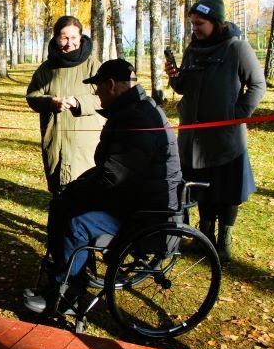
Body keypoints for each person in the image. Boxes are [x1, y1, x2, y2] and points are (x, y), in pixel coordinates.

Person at [24, 59, 182, 313]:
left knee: (77, 221)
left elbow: (113, 175)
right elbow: (112, 170)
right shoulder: (131, 111)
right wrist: (76, 188)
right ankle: (60, 277)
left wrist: (78, 189)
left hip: (148, 214)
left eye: (97, 87)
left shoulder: (138, 118)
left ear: (111, 85)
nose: (96, 93)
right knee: (61, 204)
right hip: (133, 199)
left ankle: (68, 296)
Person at [165, 0, 266, 261]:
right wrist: (175, 77)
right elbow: (184, 88)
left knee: (228, 190)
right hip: (193, 136)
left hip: (225, 137)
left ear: (216, 22)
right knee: (203, 187)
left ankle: (224, 242)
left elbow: (258, 84)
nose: (195, 28)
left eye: (200, 23)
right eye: (192, 23)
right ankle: (205, 238)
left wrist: (238, 114)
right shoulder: (192, 50)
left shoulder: (236, 48)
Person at [26, 16, 105, 195]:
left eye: (74, 37)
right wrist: (50, 102)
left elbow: (105, 98)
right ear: (56, 38)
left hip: (87, 145)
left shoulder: (94, 67)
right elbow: (32, 96)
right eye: (64, 38)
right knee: (59, 193)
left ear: (81, 38)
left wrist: (79, 103)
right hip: (56, 142)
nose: (69, 43)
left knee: (87, 192)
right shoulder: (46, 70)